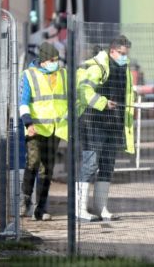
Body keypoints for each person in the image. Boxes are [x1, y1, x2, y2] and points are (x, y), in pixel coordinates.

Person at [76, 35, 135, 221]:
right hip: (94, 122)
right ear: (112, 51)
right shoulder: (98, 67)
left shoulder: (123, 68)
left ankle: (101, 208)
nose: (124, 57)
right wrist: (102, 102)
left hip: (114, 124)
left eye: (126, 54)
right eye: (122, 53)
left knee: (107, 166)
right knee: (90, 165)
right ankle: (79, 209)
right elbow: (83, 91)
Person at [19, 42, 68, 221]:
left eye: (56, 59)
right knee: (33, 162)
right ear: (44, 60)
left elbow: (69, 99)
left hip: (55, 128)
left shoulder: (63, 74)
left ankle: (41, 208)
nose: (56, 63)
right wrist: (27, 123)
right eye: (52, 60)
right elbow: (23, 102)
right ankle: (25, 200)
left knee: (47, 169)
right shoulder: (29, 75)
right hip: (35, 127)